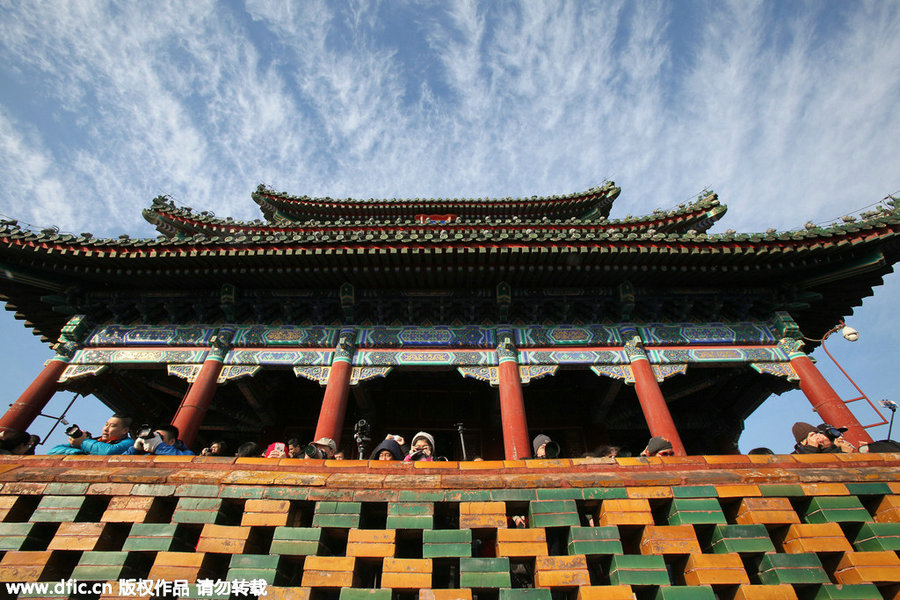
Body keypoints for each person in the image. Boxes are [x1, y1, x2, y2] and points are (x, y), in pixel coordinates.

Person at [48, 415, 133, 455]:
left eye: (113, 426)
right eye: (106, 424)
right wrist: (78, 452)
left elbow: (109, 451)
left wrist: (83, 442)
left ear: (125, 430)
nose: (106, 429)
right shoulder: (93, 442)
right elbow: (52, 451)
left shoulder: (130, 443)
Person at [125, 425, 194, 456]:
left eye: (160, 437)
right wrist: (135, 449)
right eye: (155, 436)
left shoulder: (186, 453)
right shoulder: (146, 453)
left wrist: (159, 446)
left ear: (171, 442)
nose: (155, 439)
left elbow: (186, 460)